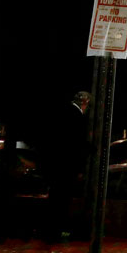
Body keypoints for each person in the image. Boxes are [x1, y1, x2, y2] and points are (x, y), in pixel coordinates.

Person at [44, 91, 91, 242]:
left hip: (57, 163)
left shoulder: (63, 113)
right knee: (62, 198)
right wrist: (80, 166)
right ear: (85, 103)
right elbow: (77, 145)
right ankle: (57, 230)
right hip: (67, 165)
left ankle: (52, 229)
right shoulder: (77, 117)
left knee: (56, 196)